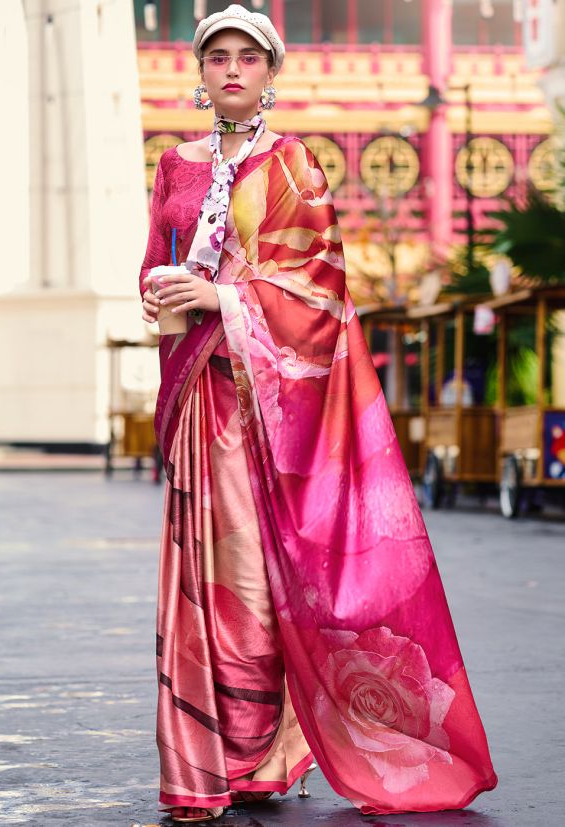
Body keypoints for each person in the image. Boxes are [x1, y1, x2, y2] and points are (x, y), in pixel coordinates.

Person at [139, 5, 497, 823]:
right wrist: (165, 293)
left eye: (248, 58)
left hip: (268, 409)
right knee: (205, 580)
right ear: (199, 72)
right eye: (217, 57)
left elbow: (323, 292)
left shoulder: (294, 164)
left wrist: (223, 296)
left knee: (257, 581)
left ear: (271, 72)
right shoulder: (174, 166)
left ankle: (258, 751)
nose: (231, 70)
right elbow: (152, 265)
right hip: (199, 400)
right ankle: (207, 760)